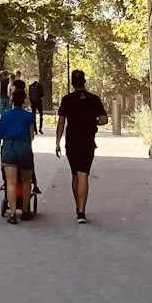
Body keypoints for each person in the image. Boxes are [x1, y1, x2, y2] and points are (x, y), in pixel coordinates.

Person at [56, 69, 109, 223]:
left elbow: (61, 122)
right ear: (84, 81)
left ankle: (77, 205)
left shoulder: (67, 100)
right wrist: (94, 121)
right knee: (83, 174)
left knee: (74, 175)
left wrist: (58, 141)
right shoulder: (94, 99)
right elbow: (104, 119)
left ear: (72, 83)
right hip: (88, 141)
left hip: (72, 141)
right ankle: (82, 211)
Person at [0, 84, 35, 223]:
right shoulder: (29, 116)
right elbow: (31, 136)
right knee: (26, 181)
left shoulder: (6, 114)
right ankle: (25, 210)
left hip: (9, 146)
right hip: (24, 147)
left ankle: (12, 214)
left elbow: (0, 133)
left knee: (10, 182)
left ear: (12, 99)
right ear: (24, 100)